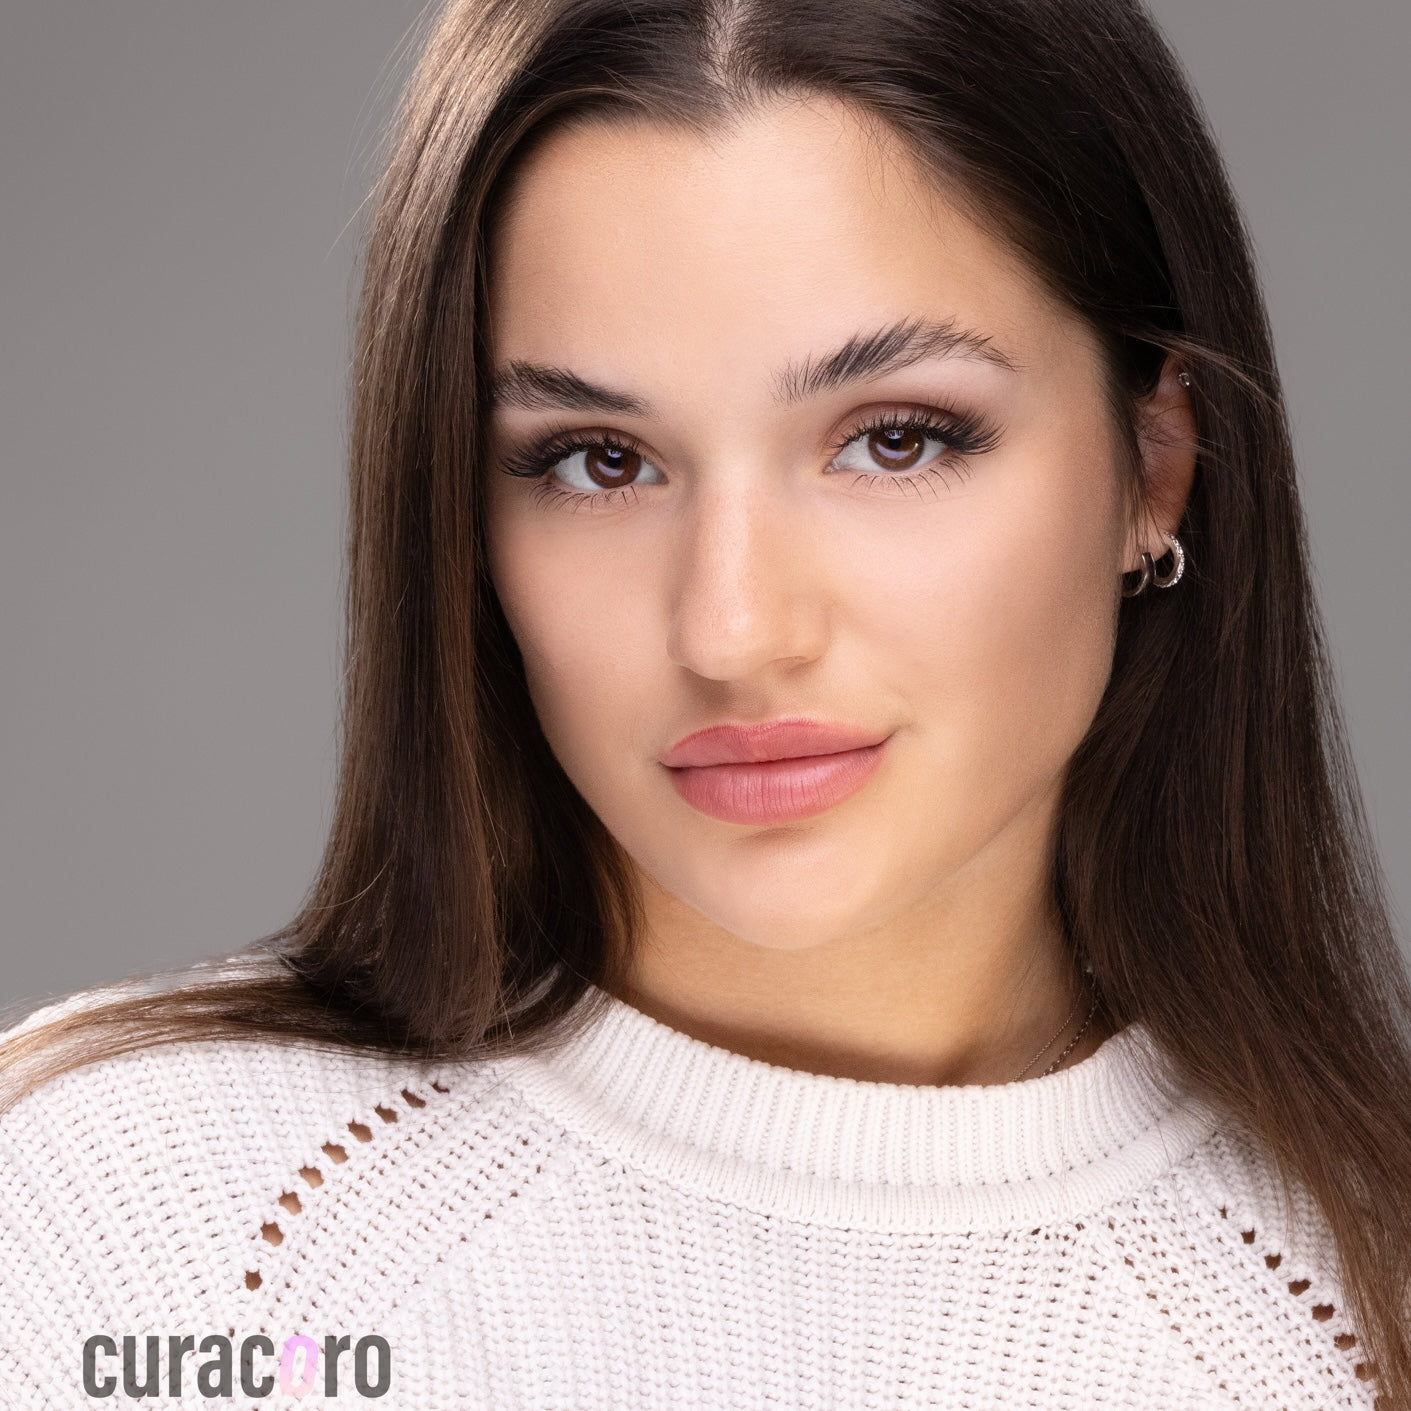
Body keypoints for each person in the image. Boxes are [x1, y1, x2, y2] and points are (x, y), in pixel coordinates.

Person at [2, 0, 1408, 1405]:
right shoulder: (130, 1231)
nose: (732, 629)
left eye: (893, 440)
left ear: (1156, 463)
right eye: (599, 462)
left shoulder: (1367, 1305)